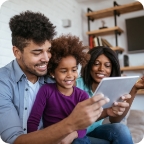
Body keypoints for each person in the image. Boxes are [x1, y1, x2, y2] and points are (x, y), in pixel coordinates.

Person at [0, 11, 109, 144]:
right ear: (17, 52)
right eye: (37, 52)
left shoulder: (53, 77)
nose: (46, 59)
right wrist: (71, 124)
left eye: (49, 50)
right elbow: (15, 140)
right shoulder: (3, 82)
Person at [27, 34, 98, 144]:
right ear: (52, 72)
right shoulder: (46, 91)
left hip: (76, 138)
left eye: (74, 70)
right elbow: (33, 121)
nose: (70, 75)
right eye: (64, 71)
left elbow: (83, 127)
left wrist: (72, 135)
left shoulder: (82, 95)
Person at [76, 46, 144, 144]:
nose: (101, 69)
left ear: (112, 69)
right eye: (96, 64)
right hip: (76, 133)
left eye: (107, 66)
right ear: (89, 65)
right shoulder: (76, 85)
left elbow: (115, 120)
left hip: (93, 131)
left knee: (121, 129)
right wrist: (107, 111)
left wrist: (134, 88)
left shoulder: (111, 87)